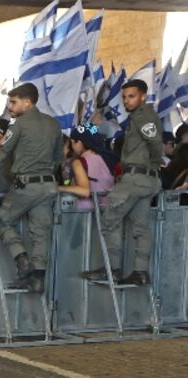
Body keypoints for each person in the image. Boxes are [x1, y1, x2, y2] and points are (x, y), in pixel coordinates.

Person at [0, 83, 63, 293]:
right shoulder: (54, 124)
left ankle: (22, 259)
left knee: (3, 219)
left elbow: (2, 154)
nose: (10, 106)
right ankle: (37, 279)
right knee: (40, 233)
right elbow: (58, 158)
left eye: (13, 101)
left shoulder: (17, 125)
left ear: (28, 102)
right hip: (49, 185)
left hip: (25, 185)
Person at [84, 80, 164, 286]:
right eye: (125, 97)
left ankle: (112, 270)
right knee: (140, 227)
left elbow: (155, 142)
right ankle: (140, 272)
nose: (127, 101)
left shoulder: (142, 116)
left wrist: (154, 161)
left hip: (136, 178)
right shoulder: (138, 118)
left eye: (132, 96)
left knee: (110, 219)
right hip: (146, 180)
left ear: (143, 96)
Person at [59, 125, 115, 212]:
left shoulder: (79, 162)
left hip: (86, 213)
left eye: (72, 142)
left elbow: (84, 191)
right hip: (108, 209)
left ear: (78, 142)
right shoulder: (108, 158)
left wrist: (57, 188)